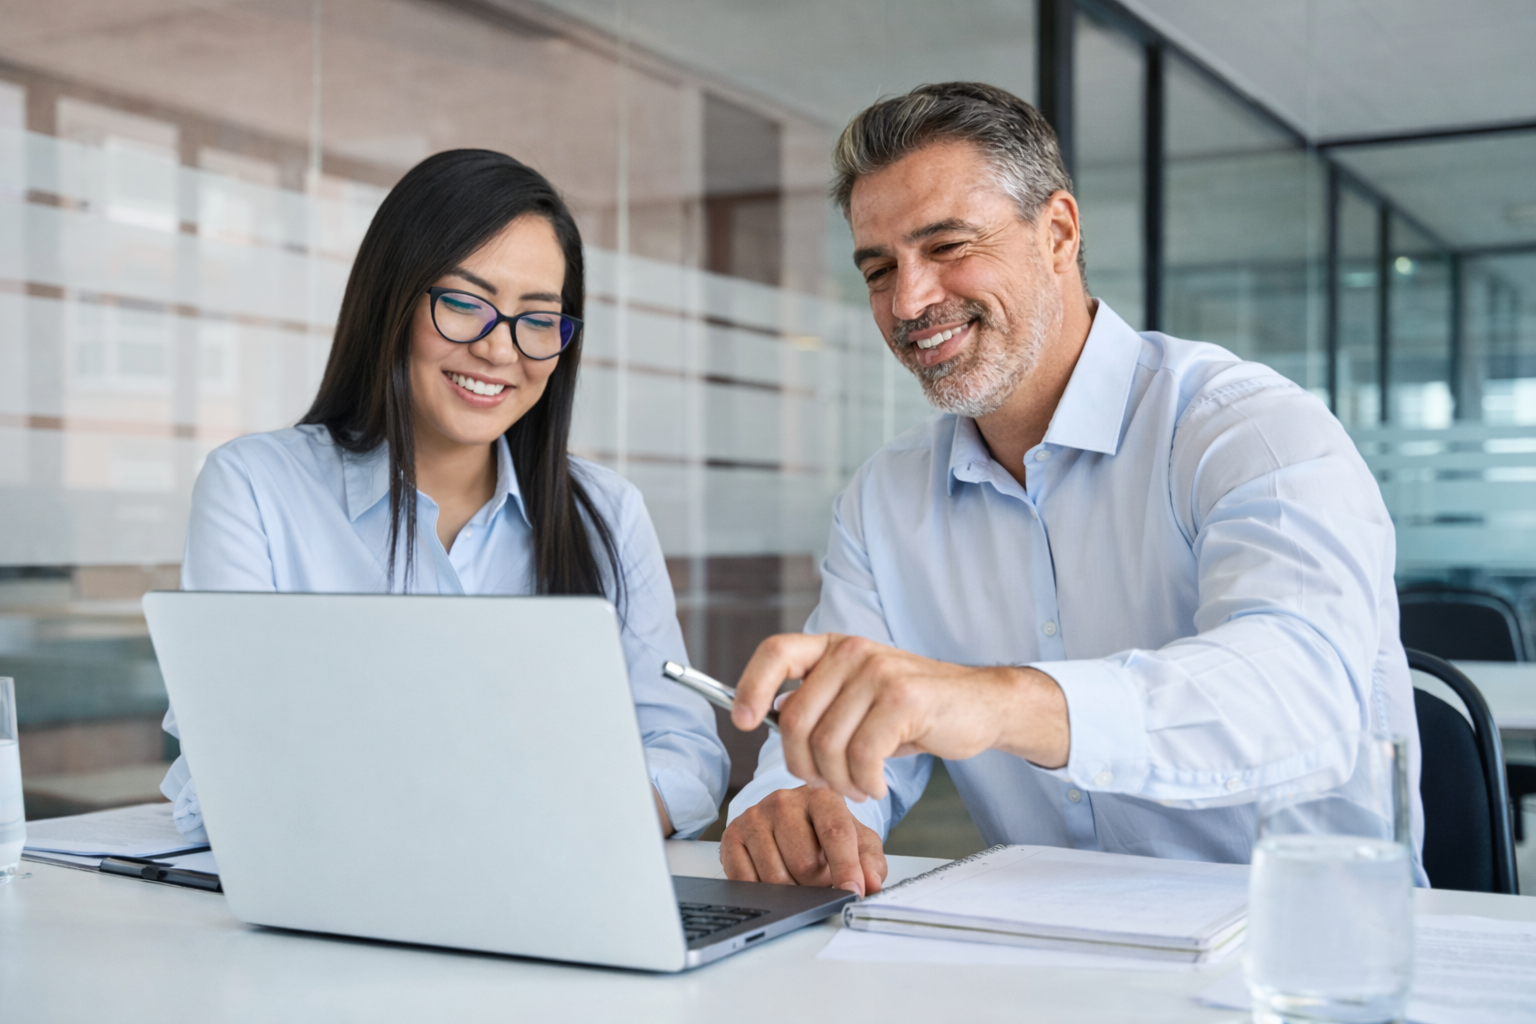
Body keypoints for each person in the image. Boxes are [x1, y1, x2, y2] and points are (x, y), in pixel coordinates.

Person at [720, 82, 1422, 896]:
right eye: (880, 269)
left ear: (1057, 232)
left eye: (948, 247)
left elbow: (1300, 697)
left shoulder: (1248, 429)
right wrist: (798, 803)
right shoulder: (884, 502)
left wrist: (1002, 702)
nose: (908, 301)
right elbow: (844, 736)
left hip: (1304, 956)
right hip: (1051, 955)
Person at [159, 150, 728, 842]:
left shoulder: (605, 513)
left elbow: (687, 755)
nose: (499, 350)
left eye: (537, 318)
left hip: (553, 892)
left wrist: (540, 830)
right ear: (391, 301)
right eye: (464, 303)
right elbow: (230, 757)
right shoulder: (257, 489)